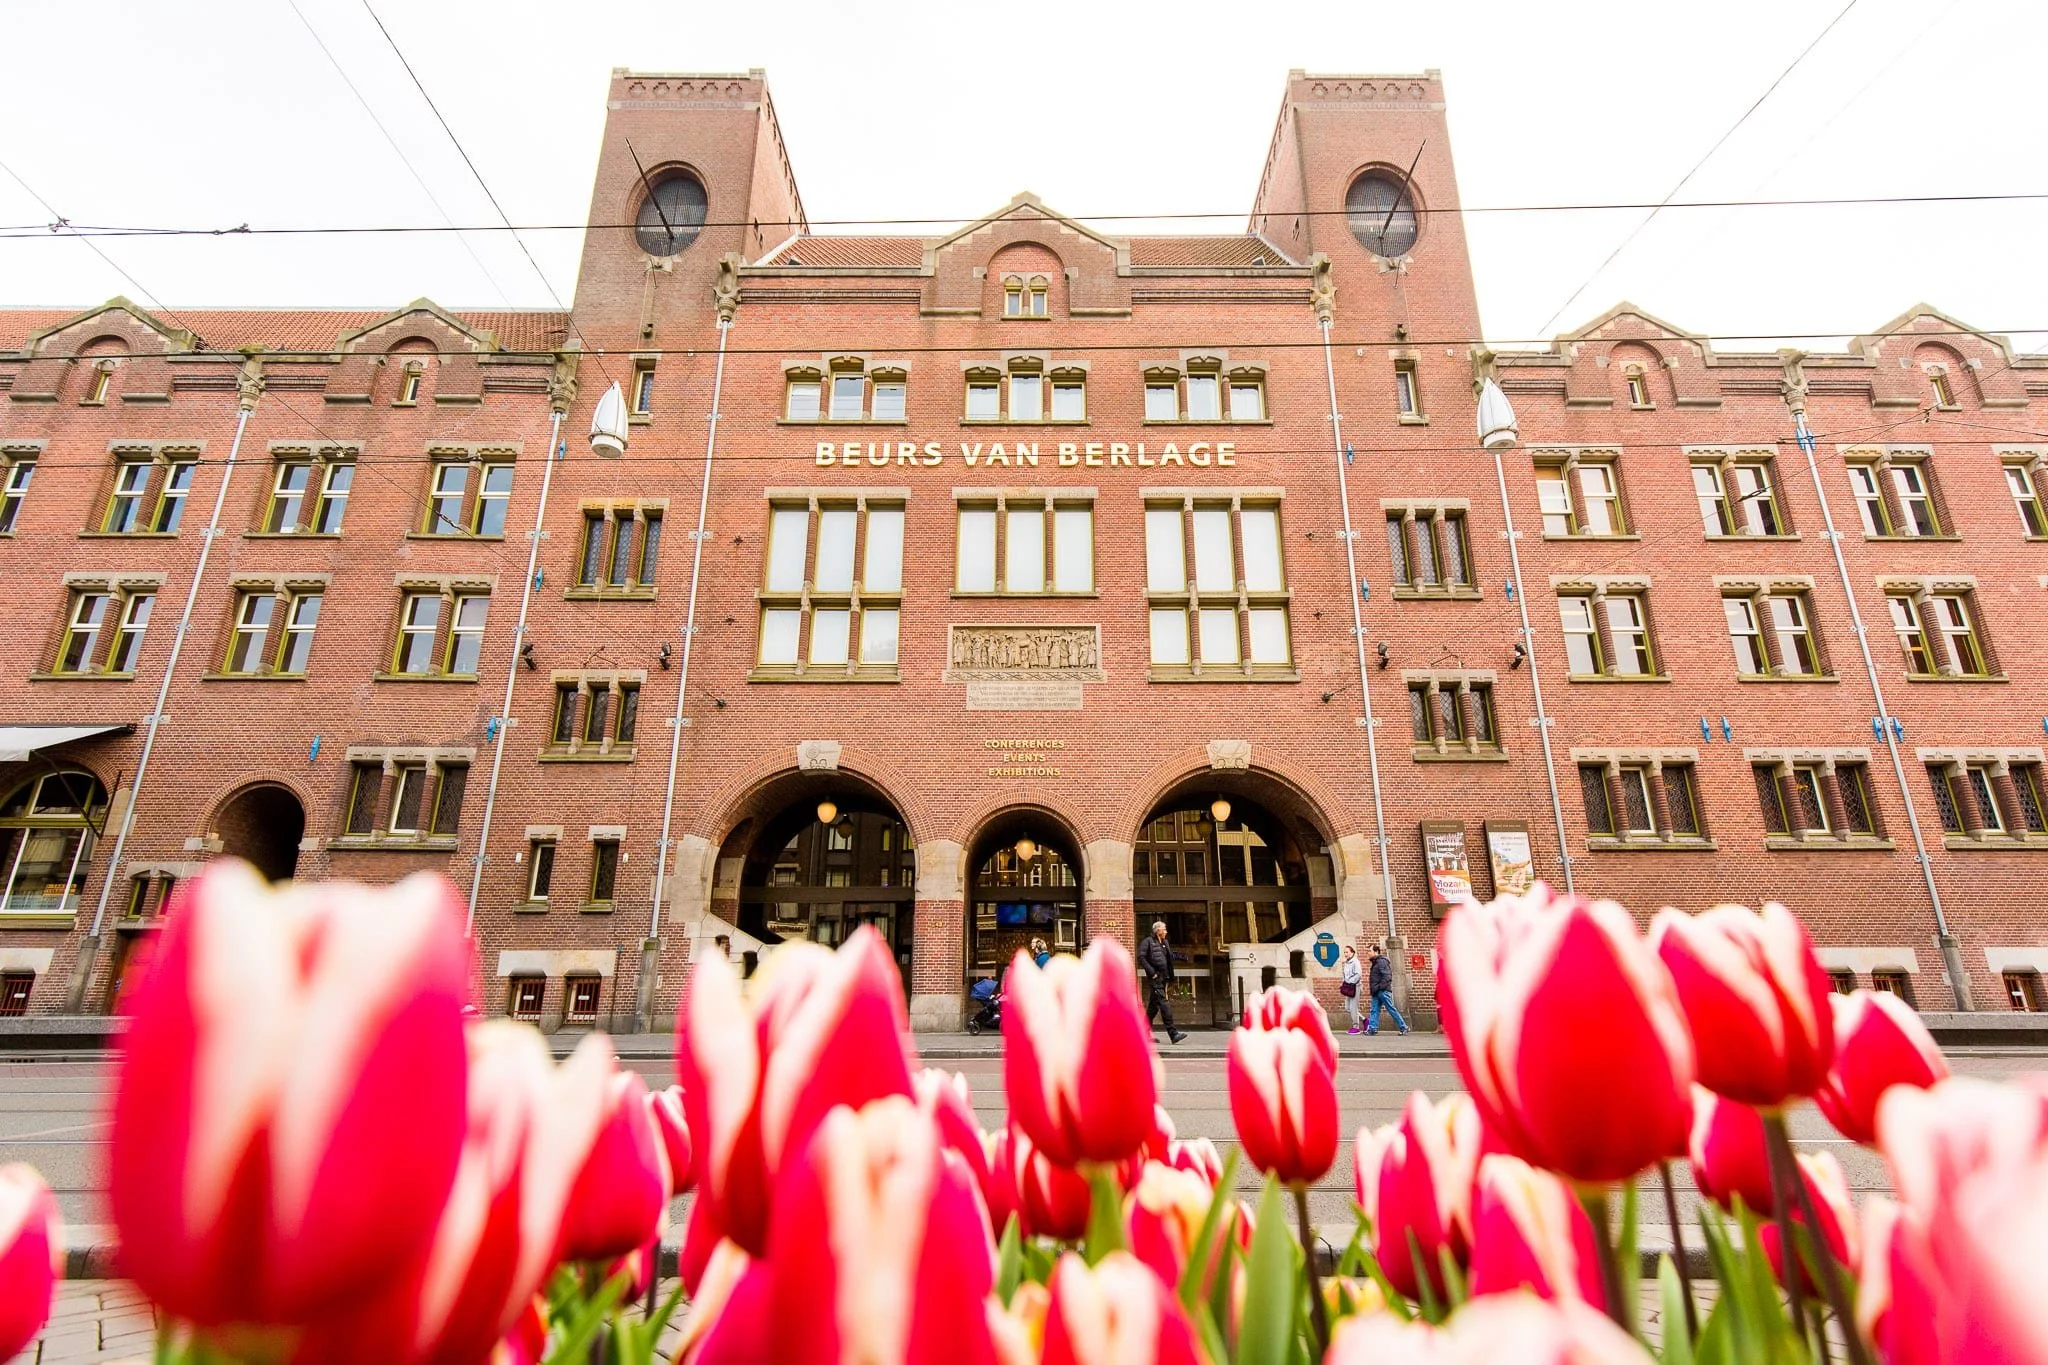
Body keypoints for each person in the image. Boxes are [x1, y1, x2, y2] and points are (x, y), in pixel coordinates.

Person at [1138, 920, 1186, 1044]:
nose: (1166, 931)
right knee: (1164, 1004)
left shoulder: (1165, 943)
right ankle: (1173, 1034)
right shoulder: (1148, 942)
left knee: (1153, 1008)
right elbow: (1141, 957)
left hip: (1164, 978)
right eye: (1164, 929)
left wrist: (1182, 957)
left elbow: (1168, 957)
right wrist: (1152, 973)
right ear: (1158, 930)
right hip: (1155, 978)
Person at [1366, 943, 1410, 1036]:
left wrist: (1380, 987)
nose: (1368, 953)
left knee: (1391, 1009)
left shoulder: (1381, 962)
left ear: (1376, 952)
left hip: (1382, 991)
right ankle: (1372, 1028)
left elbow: (1387, 976)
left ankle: (1403, 1027)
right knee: (1374, 1010)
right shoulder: (1376, 962)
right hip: (1376, 991)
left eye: (1370, 951)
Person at [1339, 944, 1364, 1034]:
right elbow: (1345, 975)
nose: (1345, 954)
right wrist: (1344, 982)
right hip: (1348, 987)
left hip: (1355, 986)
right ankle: (1364, 1020)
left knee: (1353, 1007)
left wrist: (1350, 982)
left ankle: (1356, 1027)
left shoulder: (1355, 962)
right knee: (1347, 1007)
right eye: (1344, 952)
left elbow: (1358, 974)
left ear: (1352, 952)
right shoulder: (1346, 962)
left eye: (1347, 952)